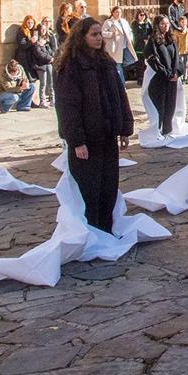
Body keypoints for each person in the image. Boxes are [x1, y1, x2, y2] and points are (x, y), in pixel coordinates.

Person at [54, 17, 133, 233]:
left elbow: (119, 96)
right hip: (87, 140)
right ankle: (92, 232)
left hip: (108, 135)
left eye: (100, 34)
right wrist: (77, 141)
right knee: (89, 190)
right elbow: (68, 107)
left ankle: (106, 231)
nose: (99, 38)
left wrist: (124, 128)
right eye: (94, 34)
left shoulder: (106, 62)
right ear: (82, 37)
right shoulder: (71, 67)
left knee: (108, 187)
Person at [143, 15, 180, 134]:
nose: (166, 26)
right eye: (163, 24)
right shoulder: (153, 41)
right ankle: (157, 133)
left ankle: (167, 132)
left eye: (167, 23)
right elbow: (153, 59)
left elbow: (177, 58)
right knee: (160, 108)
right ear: (157, 25)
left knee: (170, 108)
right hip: (159, 80)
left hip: (172, 80)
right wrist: (166, 74)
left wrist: (177, 72)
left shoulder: (171, 40)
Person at [101, 6, 137, 84]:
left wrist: (131, 38)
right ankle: (122, 85)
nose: (118, 14)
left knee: (130, 60)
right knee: (118, 66)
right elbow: (103, 33)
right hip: (115, 47)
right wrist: (111, 34)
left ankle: (120, 69)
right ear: (113, 13)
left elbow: (130, 31)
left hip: (125, 46)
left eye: (120, 12)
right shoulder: (108, 22)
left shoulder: (124, 21)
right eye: (116, 12)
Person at [30, 19, 57, 107]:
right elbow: (38, 53)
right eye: (41, 29)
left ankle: (52, 100)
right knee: (43, 84)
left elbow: (52, 50)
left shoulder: (46, 40)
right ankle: (42, 101)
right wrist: (50, 58)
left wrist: (52, 57)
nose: (43, 31)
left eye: (45, 29)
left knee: (51, 83)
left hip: (48, 63)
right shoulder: (36, 41)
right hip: (40, 65)